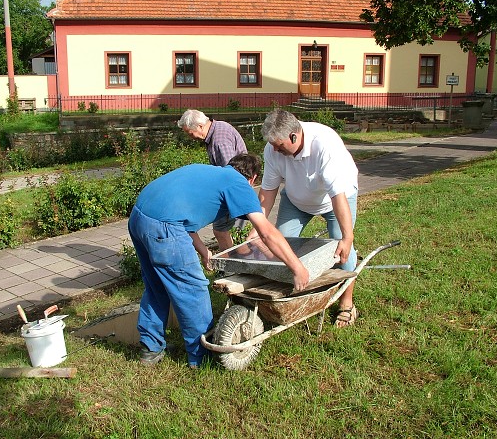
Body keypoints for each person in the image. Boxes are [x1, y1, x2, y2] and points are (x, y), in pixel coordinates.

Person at [128, 154, 309, 368]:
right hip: (164, 226)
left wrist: (204, 250)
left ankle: (151, 348)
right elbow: (266, 232)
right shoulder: (239, 183)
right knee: (192, 290)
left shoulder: (209, 172)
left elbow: (183, 216)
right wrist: (297, 267)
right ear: (253, 178)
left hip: (139, 217)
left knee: (156, 284)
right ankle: (201, 357)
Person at [256, 108, 360, 328]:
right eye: (272, 145)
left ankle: (346, 303)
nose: (274, 149)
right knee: (280, 242)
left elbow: (337, 195)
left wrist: (347, 237)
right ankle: (282, 296)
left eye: (279, 145)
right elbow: (267, 191)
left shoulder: (324, 143)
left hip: (335, 198)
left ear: (294, 136)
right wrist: (257, 228)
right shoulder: (273, 148)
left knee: (342, 250)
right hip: (296, 199)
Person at [177, 109, 247, 251]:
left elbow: (230, 175)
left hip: (233, 190)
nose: (191, 137)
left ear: (200, 126)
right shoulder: (217, 129)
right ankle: (237, 261)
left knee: (221, 230)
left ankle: (229, 267)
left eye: (190, 133)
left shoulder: (219, 141)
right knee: (233, 231)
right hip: (236, 188)